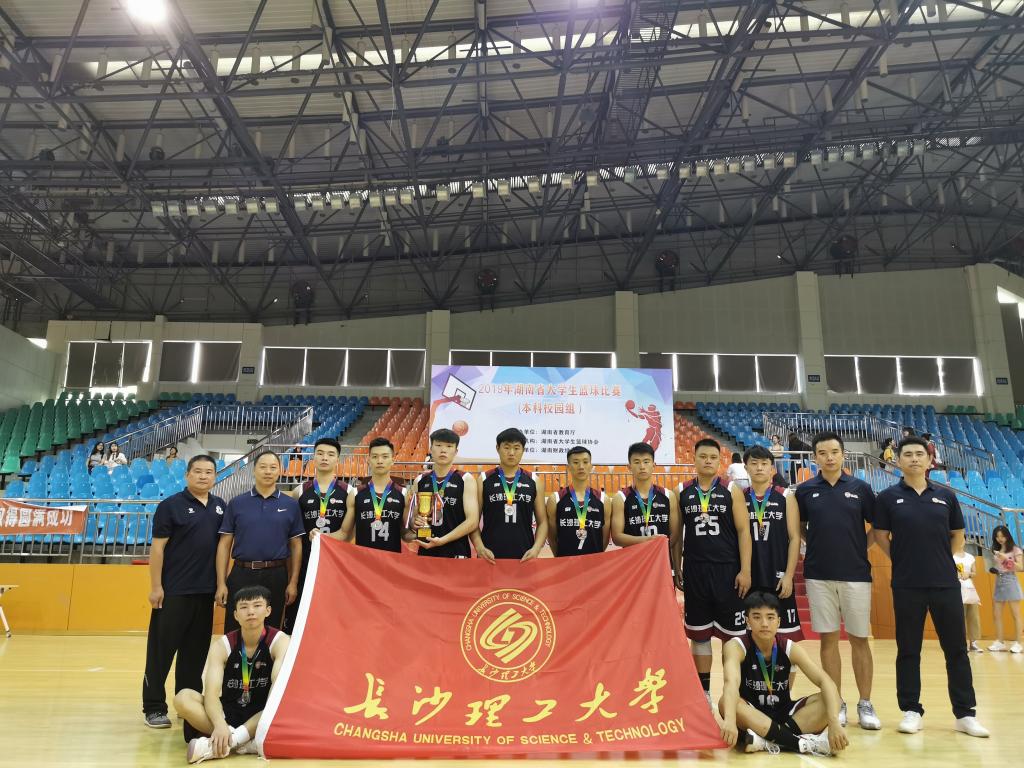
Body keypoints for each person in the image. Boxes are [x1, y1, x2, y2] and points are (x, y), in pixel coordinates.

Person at [872, 436, 989, 738]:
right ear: (898, 460)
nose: (914, 458)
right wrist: (901, 559)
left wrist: (940, 559)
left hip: (945, 583)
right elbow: (881, 536)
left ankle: (965, 714)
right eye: (908, 454)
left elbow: (958, 534)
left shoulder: (946, 495)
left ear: (928, 460)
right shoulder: (887, 497)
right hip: (907, 583)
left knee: (956, 650)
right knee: (908, 649)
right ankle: (911, 710)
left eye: (919, 454)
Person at [794, 432, 881, 730]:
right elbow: (799, 526)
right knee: (828, 640)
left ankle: (865, 703)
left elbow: (877, 526)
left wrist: (860, 547)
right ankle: (837, 702)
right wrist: (814, 543)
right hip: (818, 575)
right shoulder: (806, 490)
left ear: (843, 455)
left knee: (859, 639)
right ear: (814, 458)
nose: (829, 457)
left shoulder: (861, 488)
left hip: (856, 575)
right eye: (822, 453)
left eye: (834, 452)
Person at [142, 455, 226, 729]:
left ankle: (186, 704)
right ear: (187, 475)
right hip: (173, 592)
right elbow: (157, 549)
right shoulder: (170, 506)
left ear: (215, 477)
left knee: (194, 655)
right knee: (161, 653)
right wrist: (156, 586)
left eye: (209, 472)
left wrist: (220, 584)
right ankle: (154, 707)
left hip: (205, 593)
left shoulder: (220, 507)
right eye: (198, 471)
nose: (203, 476)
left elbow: (222, 549)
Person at [719, 590, 847, 756]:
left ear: (778, 621)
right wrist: (729, 720)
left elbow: (825, 681)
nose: (764, 623)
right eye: (757, 617)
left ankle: (765, 741)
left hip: (785, 715)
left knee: (832, 698)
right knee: (726, 703)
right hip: (752, 715)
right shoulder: (736, 646)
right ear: (747, 621)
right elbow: (731, 683)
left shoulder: (789, 648)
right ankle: (801, 744)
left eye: (770, 617)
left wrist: (834, 721)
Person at [174, 586, 290, 763]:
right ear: (235, 615)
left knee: (284, 703)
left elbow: (278, 693)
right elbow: (212, 694)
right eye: (244, 607)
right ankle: (242, 741)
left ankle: (229, 742)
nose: (250, 612)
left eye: (257, 605)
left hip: (262, 714)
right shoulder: (222, 645)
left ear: (268, 611)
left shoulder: (279, 641)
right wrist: (220, 724)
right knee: (183, 698)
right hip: (228, 714)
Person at [676, 438, 752, 704]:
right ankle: (704, 694)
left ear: (720, 461)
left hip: (727, 572)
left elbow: (744, 532)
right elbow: (676, 535)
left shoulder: (731, 489)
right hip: (695, 570)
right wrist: (677, 566)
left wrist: (745, 570)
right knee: (700, 636)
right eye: (703, 456)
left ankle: (732, 693)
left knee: (732, 637)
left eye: (712, 457)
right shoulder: (682, 491)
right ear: (694, 459)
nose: (708, 461)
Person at [215, 451, 304, 634]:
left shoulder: (291, 505)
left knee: (271, 631)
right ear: (254, 470)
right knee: (235, 630)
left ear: (280, 471)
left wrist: (293, 582)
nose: (268, 471)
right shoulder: (237, 503)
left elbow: (296, 545)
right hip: (242, 573)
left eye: (273, 467)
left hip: (276, 575)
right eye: (263, 467)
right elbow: (224, 544)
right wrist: (221, 583)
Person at [736, 446, 802, 641]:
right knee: (748, 635)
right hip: (748, 575)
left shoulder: (785, 496)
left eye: (764, 464)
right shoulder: (738, 497)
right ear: (746, 467)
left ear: (772, 468)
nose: (759, 468)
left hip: (778, 574)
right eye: (754, 463)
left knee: (784, 637)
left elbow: (795, 538)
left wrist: (789, 575)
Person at [285, 438, 348, 632]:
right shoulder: (300, 491)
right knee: (301, 616)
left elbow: (348, 533)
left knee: (331, 616)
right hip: (306, 562)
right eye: (320, 453)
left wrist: (326, 538)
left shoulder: (349, 491)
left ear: (337, 459)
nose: (324, 458)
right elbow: (294, 535)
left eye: (330, 454)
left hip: (336, 565)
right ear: (313, 457)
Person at [472, 428, 547, 562]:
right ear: (498, 448)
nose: (511, 453)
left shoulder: (534, 481)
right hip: (489, 556)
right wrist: (479, 547)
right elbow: (473, 521)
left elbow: (542, 522)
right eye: (506, 447)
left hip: (524, 557)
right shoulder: (483, 479)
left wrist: (536, 549)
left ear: (523, 450)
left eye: (516, 448)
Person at [404, 428, 479, 559]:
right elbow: (413, 518)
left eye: (449, 446)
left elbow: (472, 521)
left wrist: (443, 540)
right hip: (426, 548)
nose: (443, 450)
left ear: (456, 451)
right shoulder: (420, 480)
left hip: (457, 550)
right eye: (438, 445)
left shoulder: (466, 479)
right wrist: (414, 522)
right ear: (431, 449)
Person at [611, 442, 680, 576]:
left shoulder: (668, 496)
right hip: (633, 567)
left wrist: (658, 550)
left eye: (646, 462)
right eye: (637, 462)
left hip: (661, 565)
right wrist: (648, 541)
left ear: (654, 465)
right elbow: (617, 537)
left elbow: (675, 535)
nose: (642, 466)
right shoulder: (621, 498)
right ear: (629, 467)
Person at [338, 437, 408, 552]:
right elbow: (344, 533)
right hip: (363, 560)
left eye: (385, 456)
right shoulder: (355, 493)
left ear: (392, 460)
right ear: (368, 460)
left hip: (391, 560)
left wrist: (421, 533)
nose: (380, 461)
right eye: (375, 457)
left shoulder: (403, 494)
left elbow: (406, 535)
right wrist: (319, 536)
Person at [546, 445, 610, 556]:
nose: (581, 466)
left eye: (585, 462)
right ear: (568, 467)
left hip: (594, 563)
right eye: (576, 462)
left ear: (591, 466)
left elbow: (604, 539)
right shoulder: (555, 499)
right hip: (565, 563)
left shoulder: (603, 499)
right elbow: (552, 538)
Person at [988, 525, 1023, 653]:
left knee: (1016, 614)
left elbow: (1020, 567)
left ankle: (1019, 643)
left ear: (1007, 535)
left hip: (1010, 580)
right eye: (997, 536)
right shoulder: (996, 549)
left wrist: (1006, 558)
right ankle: (1000, 642)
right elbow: (998, 565)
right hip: (999, 580)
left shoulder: (1015, 549)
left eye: (1002, 536)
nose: (1000, 539)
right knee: (996, 614)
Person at [953, 539, 983, 653]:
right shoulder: (951, 555)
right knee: (959, 617)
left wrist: (969, 574)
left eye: (963, 538)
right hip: (956, 589)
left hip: (969, 589)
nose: (961, 541)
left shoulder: (970, 557)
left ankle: (973, 642)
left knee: (973, 616)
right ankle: (961, 643)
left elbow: (974, 573)